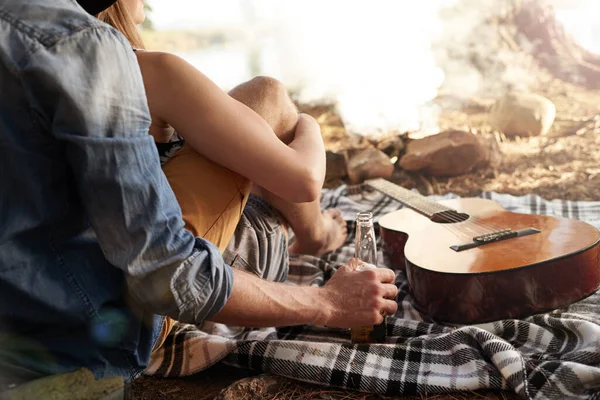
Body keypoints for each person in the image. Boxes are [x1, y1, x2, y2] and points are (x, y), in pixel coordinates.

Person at [0, 0, 399, 387]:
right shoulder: (114, 57)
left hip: (29, 311)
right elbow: (302, 181)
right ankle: (316, 235)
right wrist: (330, 304)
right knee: (266, 96)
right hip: (114, 321)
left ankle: (314, 232)